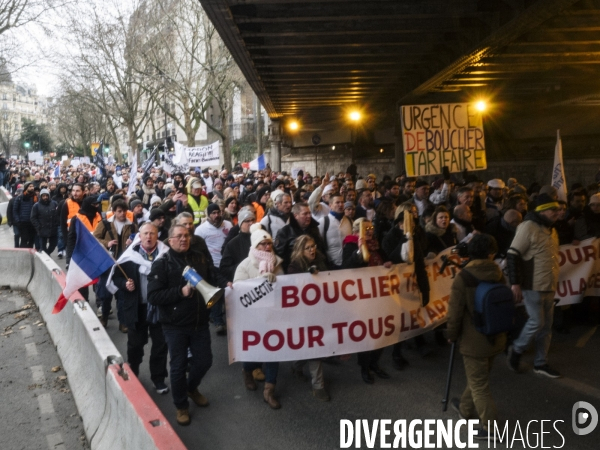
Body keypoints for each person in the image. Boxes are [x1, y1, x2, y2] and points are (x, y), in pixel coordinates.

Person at [148, 224, 214, 426]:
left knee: (204, 361)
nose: (184, 239)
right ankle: (181, 406)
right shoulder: (162, 263)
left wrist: (228, 282)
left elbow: (212, 275)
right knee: (178, 366)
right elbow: (153, 295)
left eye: (186, 236)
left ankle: (190, 388)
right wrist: (180, 292)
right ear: (170, 240)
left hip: (199, 321)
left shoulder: (199, 257)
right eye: (179, 236)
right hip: (174, 325)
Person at [447, 234, 506, 441]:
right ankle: (464, 408)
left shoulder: (463, 277)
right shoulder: (498, 273)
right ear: (491, 253)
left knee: (479, 384)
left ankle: (490, 429)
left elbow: (454, 312)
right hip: (496, 335)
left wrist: (451, 335)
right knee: (478, 377)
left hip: (474, 340)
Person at [108, 223, 170, 393]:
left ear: (157, 235)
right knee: (135, 345)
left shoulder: (166, 255)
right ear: (139, 236)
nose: (149, 237)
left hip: (159, 308)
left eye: (152, 233)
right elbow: (116, 277)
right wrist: (124, 284)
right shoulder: (129, 257)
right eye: (145, 234)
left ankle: (158, 379)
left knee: (160, 345)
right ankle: (133, 372)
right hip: (137, 308)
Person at [507, 193, 561, 378]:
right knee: (537, 322)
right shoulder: (527, 227)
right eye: (554, 209)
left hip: (549, 284)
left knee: (546, 327)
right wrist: (515, 283)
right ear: (543, 211)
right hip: (533, 285)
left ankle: (541, 363)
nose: (558, 212)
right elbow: (513, 254)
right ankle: (517, 349)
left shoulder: (552, 229)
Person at [234, 226, 284, 409]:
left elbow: (286, 289)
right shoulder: (245, 265)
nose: (266, 247)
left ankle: (268, 391)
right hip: (252, 317)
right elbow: (238, 290)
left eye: (268, 243)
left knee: (273, 352)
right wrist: (260, 282)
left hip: (273, 316)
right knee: (254, 352)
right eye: (262, 243)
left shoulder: (278, 263)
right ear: (255, 245)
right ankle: (247, 370)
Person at [342, 218, 392, 384]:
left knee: (382, 330)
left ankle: (375, 363)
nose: (370, 231)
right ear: (357, 231)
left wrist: (387, 264)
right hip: (362, 296)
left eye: (371, 227)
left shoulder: (376, 245)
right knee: (366, 334)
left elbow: (385, 260)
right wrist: (359, 251)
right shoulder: (350, 245)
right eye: (366, 228)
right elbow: (346, 267)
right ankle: (364, 367)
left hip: (380, 296)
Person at [286, 235, 330, 401]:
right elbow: (293, 287)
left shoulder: (321, 260)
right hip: (303, 314)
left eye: (313, 246)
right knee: (314, 347)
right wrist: (308, 276)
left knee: (310, 346)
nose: (312, 250)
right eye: (308, 247)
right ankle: (318, 386)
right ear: (300, 251)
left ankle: (296, 365)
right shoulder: (294, 266)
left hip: (320, 311)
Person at [93, 199, 136, 330]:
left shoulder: (132, 225)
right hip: (108, 263)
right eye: (119, 211)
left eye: (124, 211)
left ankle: (123, 322)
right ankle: (104, 316)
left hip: (124, 264)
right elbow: (95, 238)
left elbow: (138, 239)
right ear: (114, 212)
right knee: (105, 294)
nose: (122, 214)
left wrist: (132, 241)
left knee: (122, 295)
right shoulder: (105, 224)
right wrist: (107, 243)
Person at [274, 202, 325, 271]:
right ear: (296, 216)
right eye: (305, 214)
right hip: (295, 272)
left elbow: (320, 249)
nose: (309, 216)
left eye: (309, 213)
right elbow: (280, 255)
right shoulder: (285, 232)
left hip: (316, 270)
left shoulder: (314, 229)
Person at [318, 194, 352, 269]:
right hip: (331, 264)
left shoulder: (349, 221)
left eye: (342, 202)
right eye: (337, 202)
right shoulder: (323, 222)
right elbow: (319, 243)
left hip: (349, 262)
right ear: (330, 205)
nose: (340, 205)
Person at [30, 188, 59, 255]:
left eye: (46, 195)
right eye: (43, 196)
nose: (45, 197)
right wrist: (38, 226)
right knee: (42, 247)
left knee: (53, 244)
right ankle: (45, 255)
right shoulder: (36, 206)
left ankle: (47, 253)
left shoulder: (54, 204)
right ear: (41, 196)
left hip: (53, 229)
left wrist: (56, 223)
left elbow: (58, 214)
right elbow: (33, 218)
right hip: (42, 229)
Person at [13, 181, 37, 248]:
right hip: (23, 222)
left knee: (31, 240)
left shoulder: (35, 198)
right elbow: (15, 210)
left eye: (32, 186)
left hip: (32, 222)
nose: (32, 188)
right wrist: (18, 220)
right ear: (26, 188)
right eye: (30, 187)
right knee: (24, 239)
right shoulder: (19, 198)